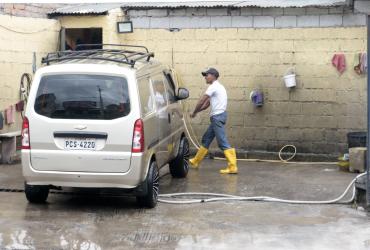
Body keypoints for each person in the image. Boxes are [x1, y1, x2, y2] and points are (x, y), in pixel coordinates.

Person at [189, 67, 238, 174]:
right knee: (206, 139)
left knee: (222, 142)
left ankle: (233, 166)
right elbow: (207, 104)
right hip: (218, 117)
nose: (205, 77)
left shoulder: (214, 86)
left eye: (207, 75)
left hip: (217, 117)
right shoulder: (218, 87)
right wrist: (197, 112)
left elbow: (202, 101)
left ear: (213, 76)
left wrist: (194, 112)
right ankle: (196, 161)